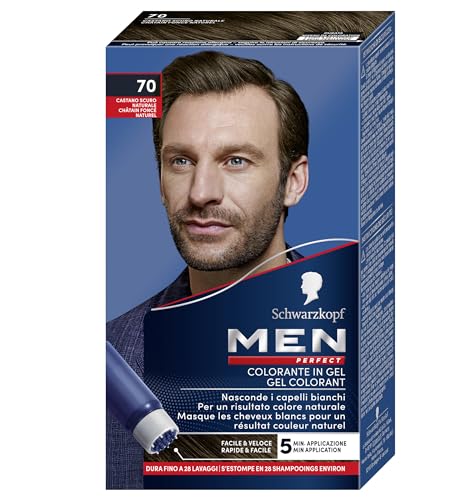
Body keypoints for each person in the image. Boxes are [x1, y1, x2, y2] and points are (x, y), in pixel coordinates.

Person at [106, 51, 310, 489]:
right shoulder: (109, 360)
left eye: (236, 160)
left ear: (293, 182)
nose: (201, 193)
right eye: (181, 161)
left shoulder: (372, 342)